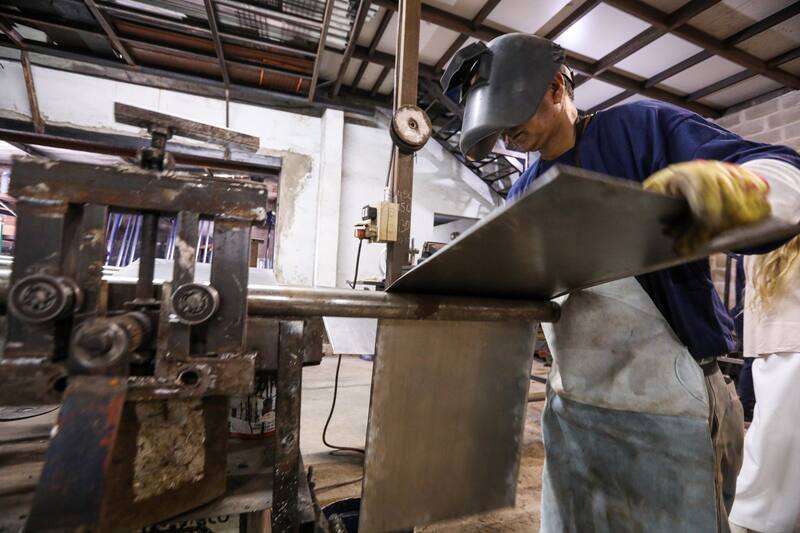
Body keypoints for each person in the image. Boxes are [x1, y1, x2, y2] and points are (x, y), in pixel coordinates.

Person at [442, 33, 800, 532]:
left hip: (670, 408)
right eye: (495, 126)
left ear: (555, 86)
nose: (505, 135)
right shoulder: (523, 191)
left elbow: (784, 171)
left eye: (512, 114)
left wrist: (743, 189)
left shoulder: (639, 129)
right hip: (576, 409)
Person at [729, 235, 800, 533]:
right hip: (788, 346)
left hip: (777, 345)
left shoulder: (767, 232)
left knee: (771, 443)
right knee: (773, 449)